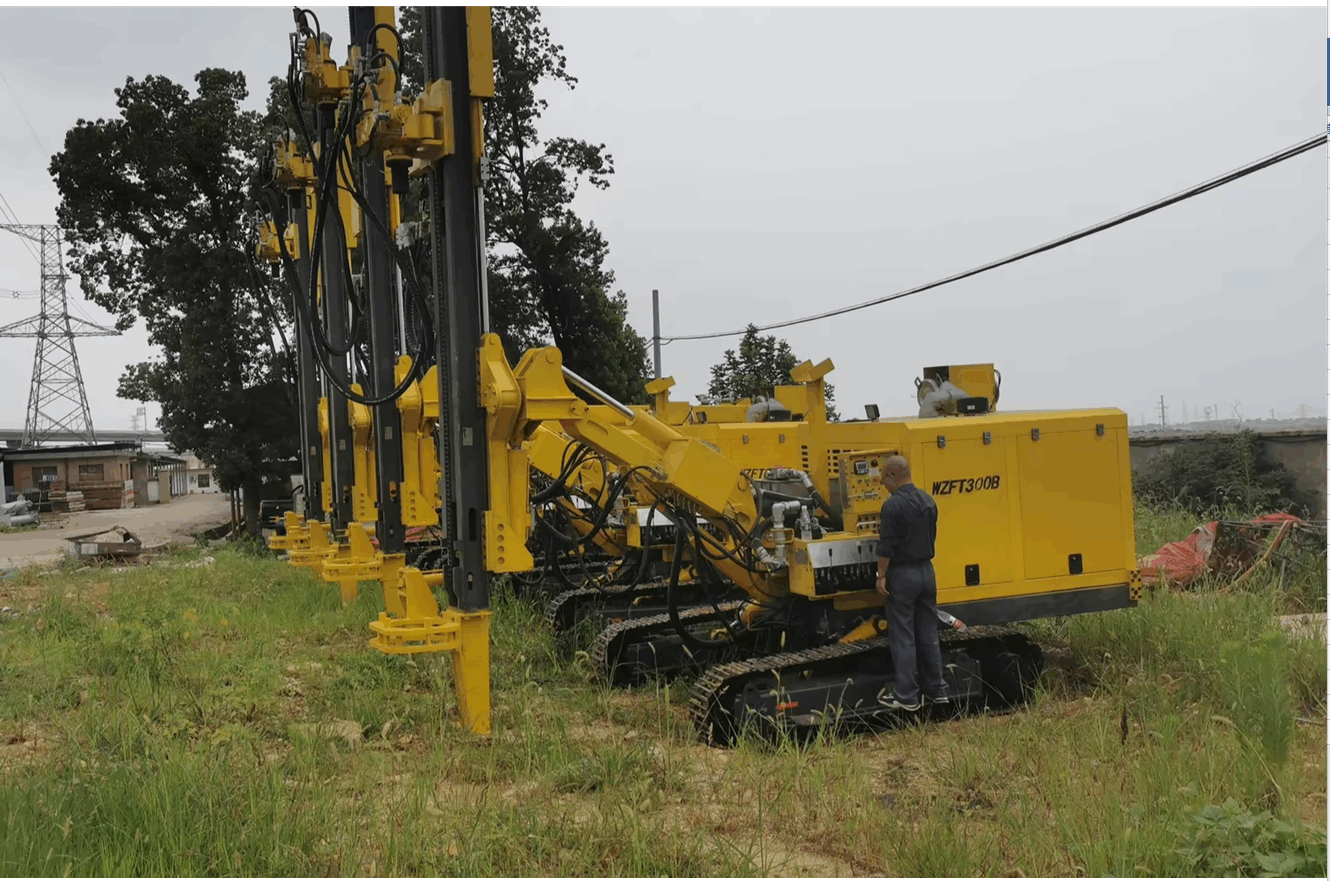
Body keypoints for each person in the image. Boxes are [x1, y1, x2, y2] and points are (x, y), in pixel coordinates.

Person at [874, 455, 948, 711]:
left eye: (884, 479)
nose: (883, 484)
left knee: (903, 635)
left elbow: (886, 547)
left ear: (892, 476)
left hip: (903, 575)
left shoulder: (892, 505)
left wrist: (881, 575)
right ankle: (937, 689)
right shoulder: (928, 500)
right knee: (928, 633)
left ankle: (906, 696)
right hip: (927, 572)